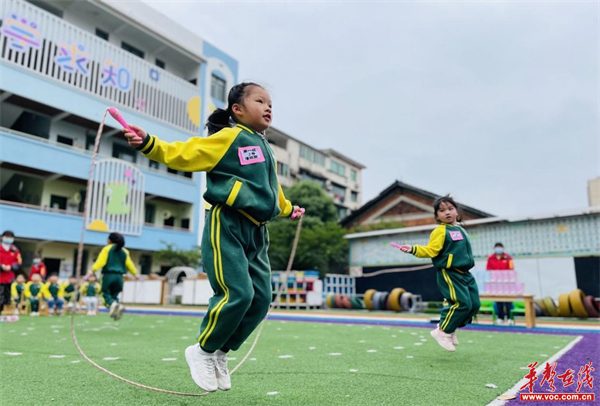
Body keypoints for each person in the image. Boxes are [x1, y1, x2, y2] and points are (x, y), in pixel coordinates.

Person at [124, 82, 304, 392]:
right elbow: (184, 153)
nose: (268, 107)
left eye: (270, 102)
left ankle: (220, 352)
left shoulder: (265, 148)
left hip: (257, 232)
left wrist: (287, 209)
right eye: (260, 101)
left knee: (260, 301)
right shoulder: (229, 138)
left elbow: (272, 190)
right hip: (228, 224)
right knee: (239, 294)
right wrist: (149, 143)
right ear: (238, 109)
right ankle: (202, 351)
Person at [392, 195, 479, 352]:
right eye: (442, 210)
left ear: (457, 212)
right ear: (437, 216)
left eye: (450, 209)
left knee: (474, 304)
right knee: (461, 303)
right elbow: (431, 250)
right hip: (449, 272)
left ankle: (450, 329)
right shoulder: (440, 231)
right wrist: (413, 249)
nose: (447, 212)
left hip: (465, 272)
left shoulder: (460, 229)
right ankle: (442, 332)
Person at [91, 232, 138, 321]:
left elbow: (101, 261)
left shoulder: (107, 249)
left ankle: (114, 306)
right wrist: (135, 274)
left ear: (109, 240)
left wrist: (92, 270)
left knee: (105, 294)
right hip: (120, 277)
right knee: (114, 295)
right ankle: (117, 307)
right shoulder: (125, 251)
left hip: (108, 275)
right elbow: (129, 264)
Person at [486, 242, 515, 323]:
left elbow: (511, 270)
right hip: (496, 283)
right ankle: (500, 317)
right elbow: (488, 270)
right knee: (498, 300)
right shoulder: (490, 258)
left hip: (507, 282)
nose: (498, 249)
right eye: (497, 247)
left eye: (500, 247)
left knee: (508, 301)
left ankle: (510, 317)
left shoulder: (508, 258)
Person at [0, 230, 21, 314]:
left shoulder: (15, 250)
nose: (8, 238)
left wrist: (11, 266)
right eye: (6, 236)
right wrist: (1, 266)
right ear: (2, 237)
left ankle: (2, 312)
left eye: (10, 237)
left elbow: (19, 262)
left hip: (8, 278)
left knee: (6, 297)